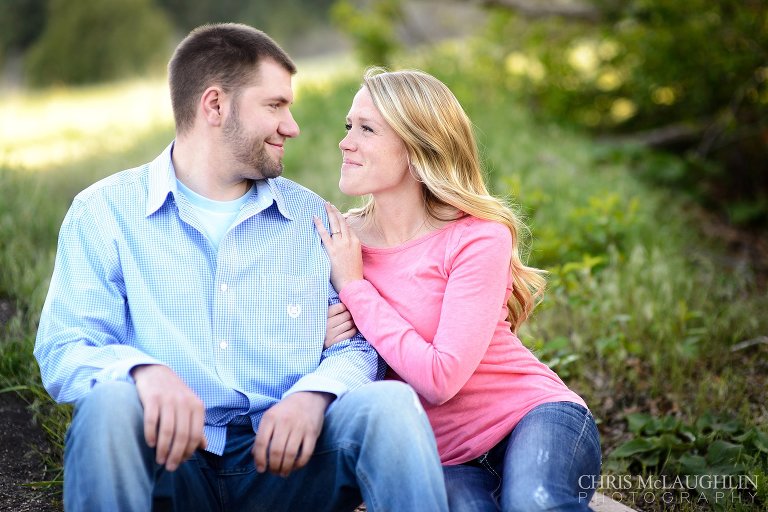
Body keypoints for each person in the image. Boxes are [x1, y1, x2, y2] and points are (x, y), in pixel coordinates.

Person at [34, 25, 448, 512]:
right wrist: (140, 371)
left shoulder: (310, 220)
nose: (292, 126)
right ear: (215, 105)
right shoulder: (104, 212)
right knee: (109, 404)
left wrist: (314, 394)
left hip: (287, 460)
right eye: (275, 106)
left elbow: (357, 347)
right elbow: (65, 346)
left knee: (390, 406)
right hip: (168, 458)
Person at [314, 68, 602, 511]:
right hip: (445, 457)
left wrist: (355, 289)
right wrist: (316, 338)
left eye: (366, 129)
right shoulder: (338, 242)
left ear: (418, 148)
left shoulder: (476, 237)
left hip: (529, 416)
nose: (345, 142)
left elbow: (440, 378)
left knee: (534, 504)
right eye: (349, 125)